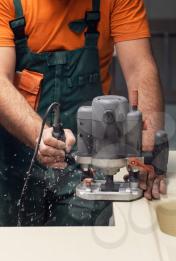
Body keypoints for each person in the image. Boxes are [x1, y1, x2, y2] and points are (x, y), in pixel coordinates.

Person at [0, 0, 166, 226]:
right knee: (14, 249)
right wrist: (38, 135)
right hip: (15, 154)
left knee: (82, 248)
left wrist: (146, 155)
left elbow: (140, 69)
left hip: (90, 161)